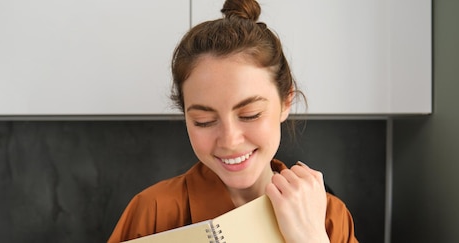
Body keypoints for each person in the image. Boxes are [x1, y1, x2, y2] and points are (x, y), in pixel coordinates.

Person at [108, 0, 357, 242]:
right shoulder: (153, 212)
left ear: (286, 101)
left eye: (250, 115)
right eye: (203, 120)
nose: (229, 141)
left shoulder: (328, 216)